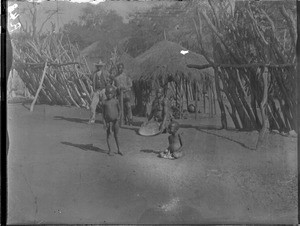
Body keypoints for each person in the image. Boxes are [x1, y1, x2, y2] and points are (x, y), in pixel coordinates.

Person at [102, 85, 123, 156]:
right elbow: (103, 114)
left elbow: (120, 110)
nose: (109, 95)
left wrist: (119, 117)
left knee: (116, 135)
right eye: (108, 93)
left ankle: (119, 149)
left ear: (113, 93)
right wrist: (104, 123)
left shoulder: (116, 101)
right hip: (108, 122)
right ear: (105, 94)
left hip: (116, 121)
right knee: (109, 136)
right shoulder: (104, 102)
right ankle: (110, 150)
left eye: (111, 93)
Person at [88, 60, 109, 124]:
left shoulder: (105, 73)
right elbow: (91, 80)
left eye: (100, 66)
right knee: (92, 105)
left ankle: (105, 119)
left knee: (105, 105)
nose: (99, 67)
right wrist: (91, 83)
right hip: (96, 91)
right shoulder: (94, 74)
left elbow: (110, 79)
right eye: (98, 66)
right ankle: (92, 119)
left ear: (102, 66)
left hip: (103, 90)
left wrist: (107, 87)